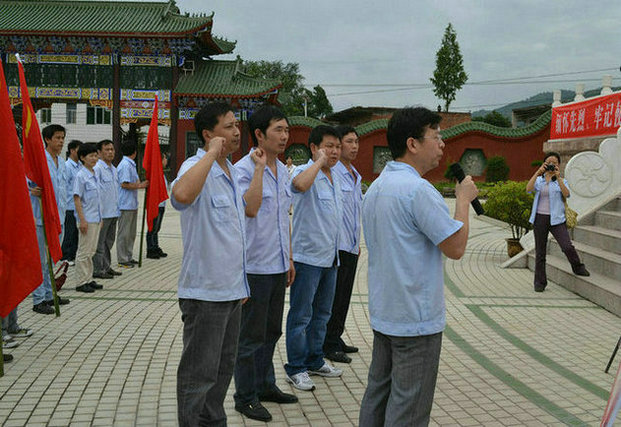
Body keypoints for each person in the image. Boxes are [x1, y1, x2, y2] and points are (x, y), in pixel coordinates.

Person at [359, 107, 478, 426]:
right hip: (416, 319)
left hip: (386, 313)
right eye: (436, 136)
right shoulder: (418, 190)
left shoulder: (377, 187)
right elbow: (455, 247)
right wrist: (463, 201)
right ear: (412, 144)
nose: (442, 144)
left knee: (378, 397)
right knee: (409, 408)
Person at [172, 102, 253, 426]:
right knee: (199, 374)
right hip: (205, 294)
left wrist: (241, 285)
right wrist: (210, 154)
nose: (236, 132)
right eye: (228, 126)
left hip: (231, 290)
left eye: (237, 125)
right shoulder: (195, 166)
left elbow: (235, 230)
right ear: (208, 134)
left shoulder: (230, 171)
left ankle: (213, 422)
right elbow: (180, 196)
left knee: (221, 371)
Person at [233, 105, 297, 422]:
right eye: (278, 130)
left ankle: (265, 385)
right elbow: (250, 209)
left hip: (277, 265)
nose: (285, 136)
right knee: (249, 338)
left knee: (271, 331)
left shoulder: (283, 171)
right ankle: (245, 397)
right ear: (259, 134)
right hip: (254, 267)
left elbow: (284, 218)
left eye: (287, 130)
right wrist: (259, 169)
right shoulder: (243, 169)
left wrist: (290, 258)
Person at [285, 125, 344, 391]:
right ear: (313, 147)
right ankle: (296, 368)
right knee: (301, 316)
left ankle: (314, 360)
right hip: (307, 258)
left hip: (330, 258)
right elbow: (298, 186)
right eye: (329, 146)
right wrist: (319, 162)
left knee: (322, 314)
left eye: (337, 147)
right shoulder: (303, 171)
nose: (335, 151)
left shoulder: (336, 177)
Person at [324, 125, 362, 364]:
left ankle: (336, 337)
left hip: (352, 246)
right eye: (349, 142)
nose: (354, 146)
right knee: (333, 297)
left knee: (344, 296)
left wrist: (358, 243)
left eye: (356, 142)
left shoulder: (354, 174)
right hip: (337, 246)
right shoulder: (334, 172)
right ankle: (327, 343)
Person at [526, 152, 590, 292]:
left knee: (567, 246)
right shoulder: (539, 180)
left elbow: (567, 194)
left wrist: (558, 177)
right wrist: (537, 172)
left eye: (554, 163)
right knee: (540, 252)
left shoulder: (561, 180)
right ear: (544, 164)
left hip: (557, 219)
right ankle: (540, 282)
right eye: (548, 162)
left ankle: (577, 266)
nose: (551, 165)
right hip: (540, 219)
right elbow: (528, 189)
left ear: (558, 165)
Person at [29, 124, 70, 314]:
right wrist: (31, 191)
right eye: (57, 138)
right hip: (42, 218)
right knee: (41, 261)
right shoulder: (39, 161)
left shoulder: (61, 162)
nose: (61, 141)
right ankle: (38, 299)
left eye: (62, 138)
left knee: (52, 259)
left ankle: (49, 294)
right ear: (47, 139)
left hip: (58, 218)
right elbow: (25, 184)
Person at [73, 143, 103, 293]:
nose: (94, 158)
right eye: (91, 156)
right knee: (84, 251)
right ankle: (81, 282)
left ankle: (88, 279)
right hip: (87, 219)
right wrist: (82, 220)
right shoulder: (81, 176)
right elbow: (77, 198)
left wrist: (101, 218)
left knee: (91, 251)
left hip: (96, 218)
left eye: (96, 155)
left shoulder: (95, 173)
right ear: (82, 158)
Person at [93, 140, 122, 279]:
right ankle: (98, 269)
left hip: (113, 211)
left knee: (108, 242)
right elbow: (96, 192)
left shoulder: (114, 169)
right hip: (103, 213)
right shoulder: (97, 169)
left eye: (112, 149)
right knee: (99, 243)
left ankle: (106, 266)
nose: (110, 152)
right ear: (99, 152)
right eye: (107, 149)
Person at [116, 141, 148, 268]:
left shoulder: (131, 164)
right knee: (124, 233)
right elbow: (124, 184)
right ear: (134, 152)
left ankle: (128, 256)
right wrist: (140, 185)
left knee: (131, 233)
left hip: (132, 203)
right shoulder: (125, 165)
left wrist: (140, 184)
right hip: (125, 204)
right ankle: (122, 258)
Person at [60, 139, 82, 265]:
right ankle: (65, 256)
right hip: (69, 205)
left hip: (78, 206)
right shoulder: (67, 166)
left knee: (76, 233)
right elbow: (63, 186)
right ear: (72, 151)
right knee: (69, 232)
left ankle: (72, 255)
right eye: (79, 150)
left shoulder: (80, 166)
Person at [146, 153, 170, 260]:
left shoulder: (161, 173)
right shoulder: (155, 173)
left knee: (157, 228)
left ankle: (155, 246)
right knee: (152, 227)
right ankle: (150, 249)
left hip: (161, 204)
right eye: (165, 158)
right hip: (155, 204)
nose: (166, 160)